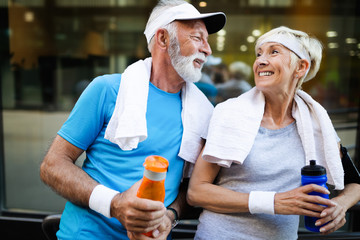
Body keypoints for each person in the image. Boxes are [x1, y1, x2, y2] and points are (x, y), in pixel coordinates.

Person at [39, 1, 226, 239]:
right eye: (198, 38)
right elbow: (52, 166)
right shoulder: (107, 90)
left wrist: (171, 216)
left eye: (207, 40)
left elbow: (193, 188)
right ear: (163, 39)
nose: (208, 49)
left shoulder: (203, 112)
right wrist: (114, 204)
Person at [187, 26, 360, 240]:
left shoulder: (316, 124)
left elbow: (356, 183)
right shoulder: (228, 114)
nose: (260, 60)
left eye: (274, 52)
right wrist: (273, 202)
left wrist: (339, 205)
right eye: (259, 53)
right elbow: (196, 192)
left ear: (301, 67)